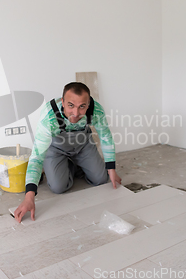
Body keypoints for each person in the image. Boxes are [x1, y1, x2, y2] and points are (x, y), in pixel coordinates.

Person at [14, 82, 121, 222]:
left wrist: (111, 169)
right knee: (58, 187)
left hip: (83, 145)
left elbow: (105, 137)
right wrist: (29, 197)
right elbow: (37, 157)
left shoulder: (96, 110)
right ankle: (65, 165)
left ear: (88, 104)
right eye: (71, 105)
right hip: (56, 148)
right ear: (63, 102)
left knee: (101, 179)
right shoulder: (49, 117)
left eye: (82, 106)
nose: (76, 113)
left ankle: (75, 165)